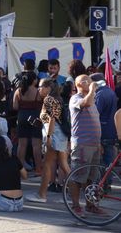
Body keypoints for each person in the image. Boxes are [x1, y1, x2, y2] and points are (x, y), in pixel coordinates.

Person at [26, 79, 71, 203]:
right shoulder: (57, 99)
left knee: (47, 164)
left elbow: (52, 119)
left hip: (54, 134)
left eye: (40, 87)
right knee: (64, 165)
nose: (38, 89)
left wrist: (49, 137)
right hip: (59, 134)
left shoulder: (49, 99)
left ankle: (42, 194)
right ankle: (74, 195)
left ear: (48, 88)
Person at [67, 74, 102, 217]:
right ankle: (75, 206)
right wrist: (93, 89)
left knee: (92, 177)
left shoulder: (91, 99)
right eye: (88, 81)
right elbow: (85, 104)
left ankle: (91, 205)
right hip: (82, 144)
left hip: (94, 144)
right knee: (77, 176)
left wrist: (99, 143)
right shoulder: (76, 98)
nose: (91, 83)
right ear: (80, 84)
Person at [13, 72, 43, 174]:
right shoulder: (38, 92)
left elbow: (15, 107)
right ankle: (38, 169)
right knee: (36, 145)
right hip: (35, 117)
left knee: (21, 144)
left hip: (22, 117)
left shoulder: (18, 91)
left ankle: (19, 169)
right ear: (34, 80)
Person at [91, 73, 118, 184]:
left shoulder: (100, 94)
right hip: (111, 130)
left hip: (102, 130)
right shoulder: (111, 92)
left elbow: (96, 113)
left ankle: (102, 184)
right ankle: (107, 182)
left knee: (101, 160)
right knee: (109, 159)